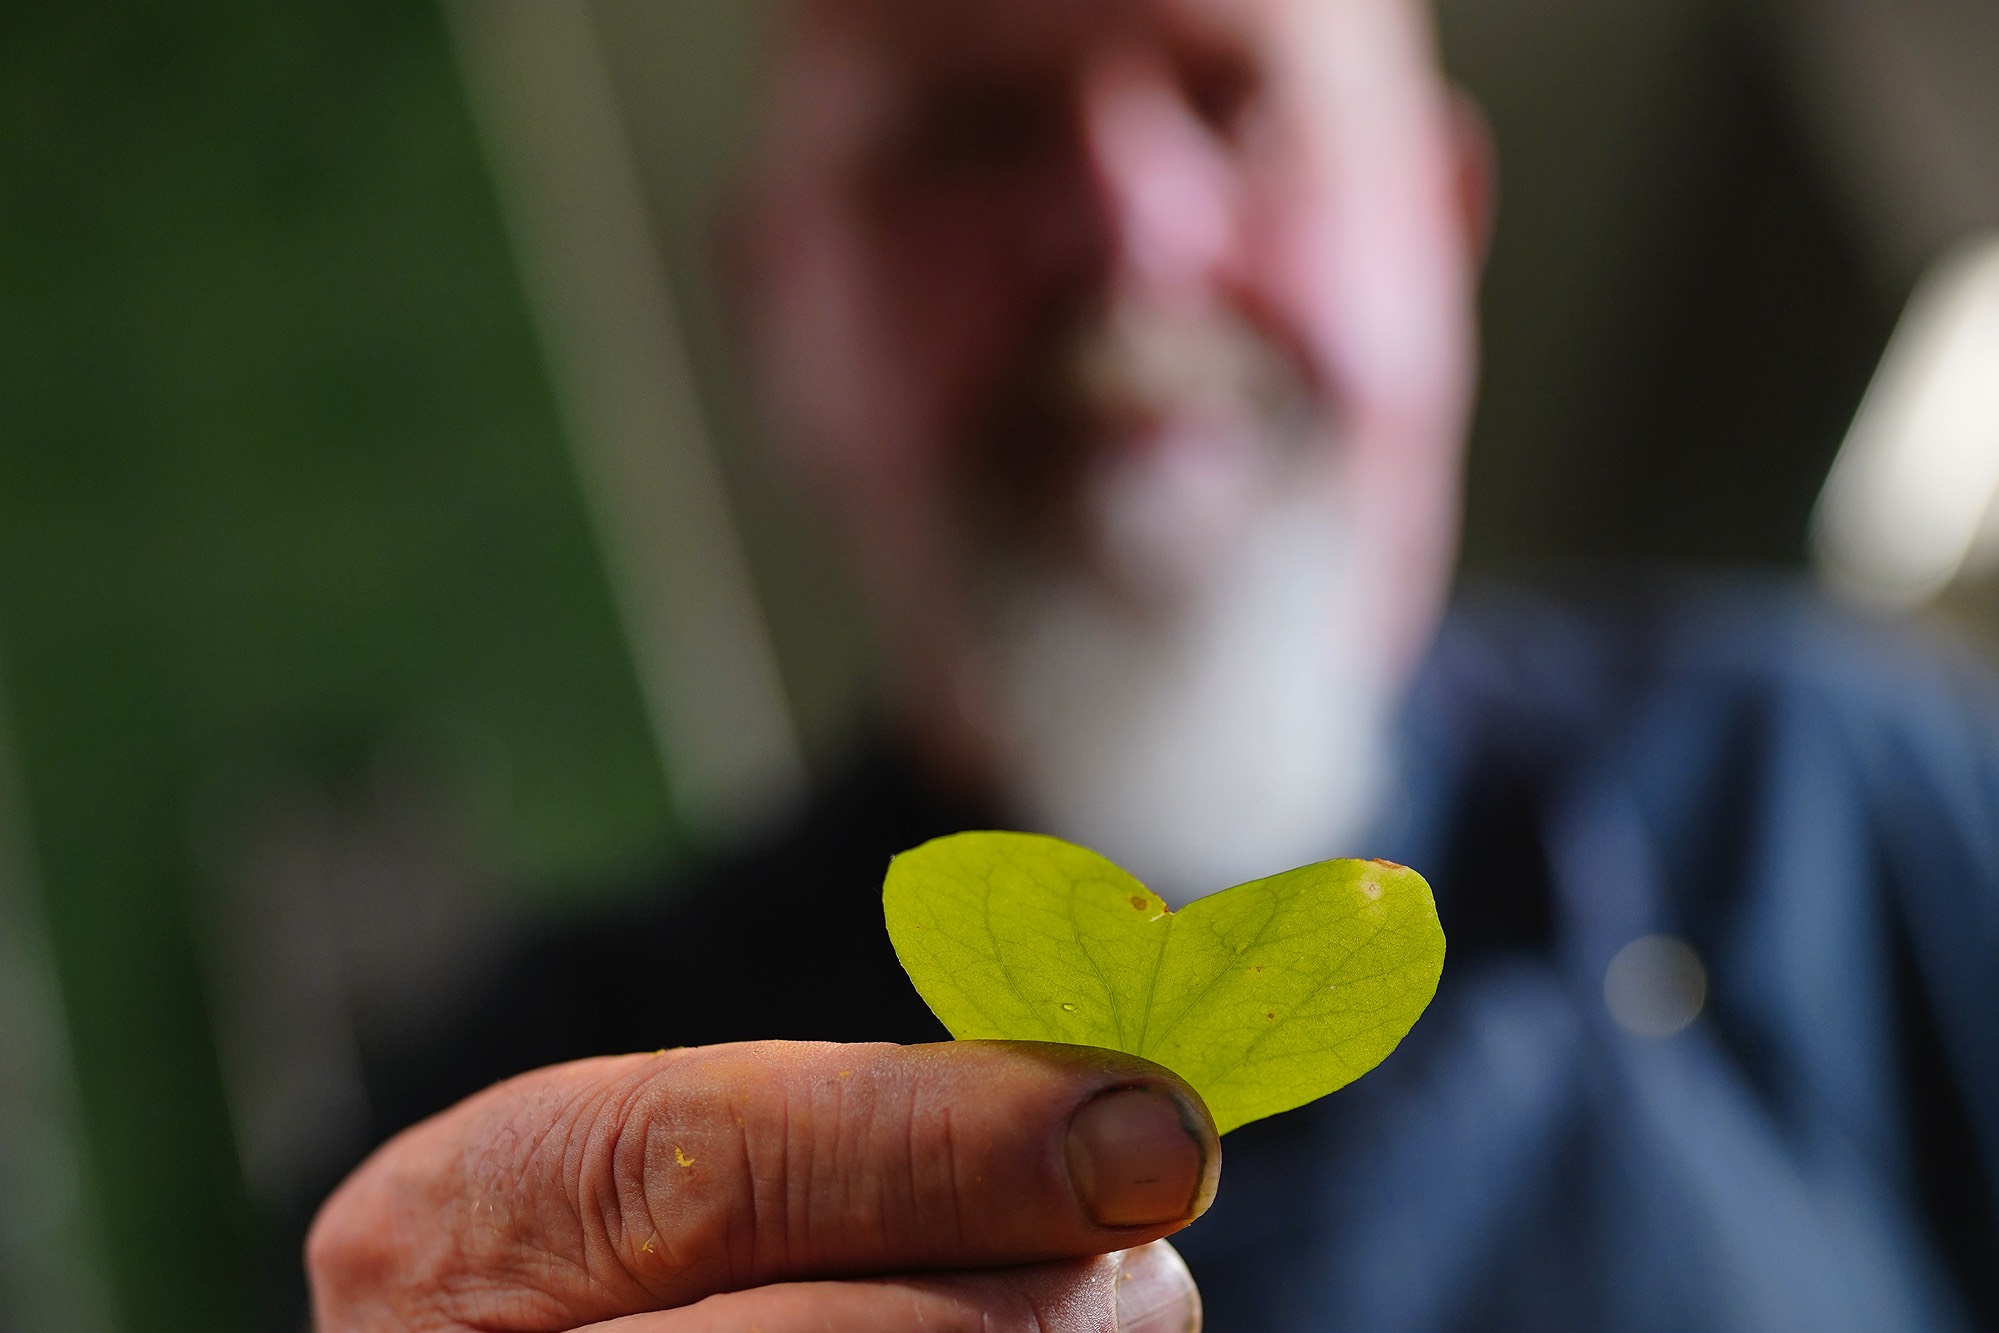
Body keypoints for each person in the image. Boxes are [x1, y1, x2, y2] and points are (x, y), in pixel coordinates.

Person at [306, 0, 1999, 1328]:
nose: (1127, 221)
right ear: (787, 312)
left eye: (1232, 91)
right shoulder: (533, 1090)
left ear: (1442, 212)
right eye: (971, 134)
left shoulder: (1850, 788)